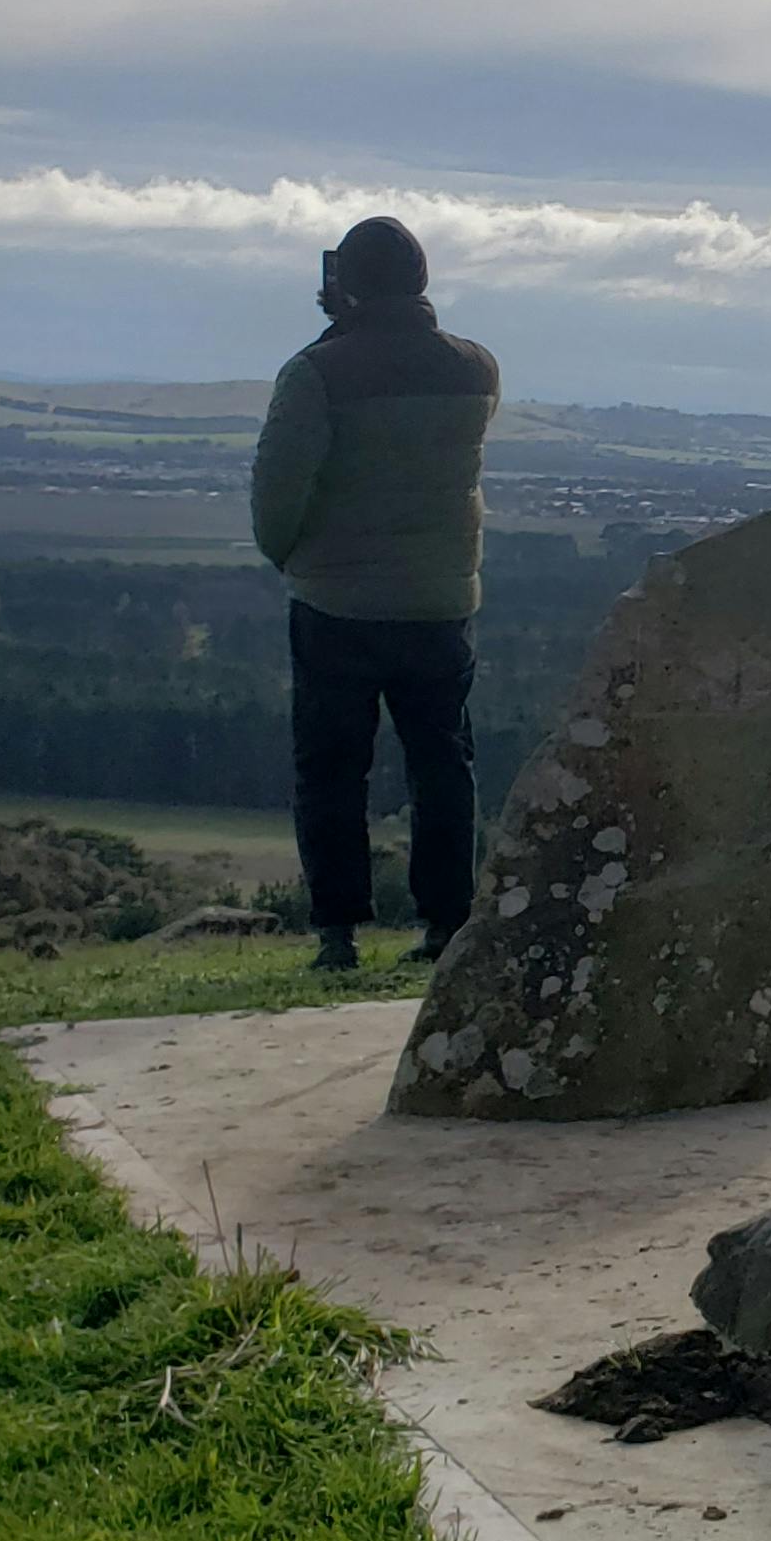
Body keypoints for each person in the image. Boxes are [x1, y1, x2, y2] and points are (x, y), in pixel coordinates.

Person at [249, 216, 501, 973]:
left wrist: (291, 555)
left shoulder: (317, 372)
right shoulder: (475, 368)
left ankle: (338, 934)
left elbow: (277, 493)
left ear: (346, 284)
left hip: (337, 602)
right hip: (440, 601)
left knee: (330, 768)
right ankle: (447, 922)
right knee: (442, 764)